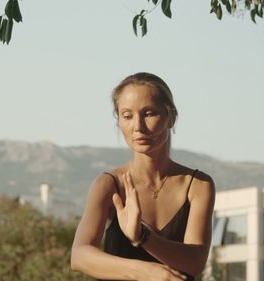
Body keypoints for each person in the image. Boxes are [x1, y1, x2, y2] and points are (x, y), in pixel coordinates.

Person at [71, 72, 216, 281]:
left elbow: (195, 263)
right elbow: (79, 256)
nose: (138, 126)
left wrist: (142, 237)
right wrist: (146, 271)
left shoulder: (197, 185)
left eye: (148, 113)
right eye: (127, 116)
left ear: (171, 117)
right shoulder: (109, 185)